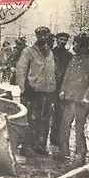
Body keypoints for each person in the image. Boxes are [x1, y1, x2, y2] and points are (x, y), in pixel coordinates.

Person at [57, 33, 89, 166]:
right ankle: (63, 152)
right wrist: (63, 90)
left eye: (75, 43)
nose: (73, 45)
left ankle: (80, 156)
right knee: (64, 125)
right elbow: (67, 76)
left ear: (82, 45)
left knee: (79, 128)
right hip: (70, 98)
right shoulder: (74, 58)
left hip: (82, 101)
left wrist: (87, 97)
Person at [15, 26, 56, 157]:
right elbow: (21, 70)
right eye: (40, 36)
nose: (43, 38)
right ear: (37, 37)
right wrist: (22, 89)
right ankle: (26, 147)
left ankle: (39, 146)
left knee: (43, 120)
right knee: (31, 120)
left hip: (47, 91)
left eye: (45, 36)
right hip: (32, 91)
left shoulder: (50, 52)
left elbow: (51, 71)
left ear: (48, 36)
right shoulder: (29, 51)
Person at [50, 32, 73, 149]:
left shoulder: (69, 56)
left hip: (62, 87)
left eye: (65, 40)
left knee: (59, 113)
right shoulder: (51, 53)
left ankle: (56, 139)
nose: (62, 42)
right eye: (60, 39)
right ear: (56, 40)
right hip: (50, 86)